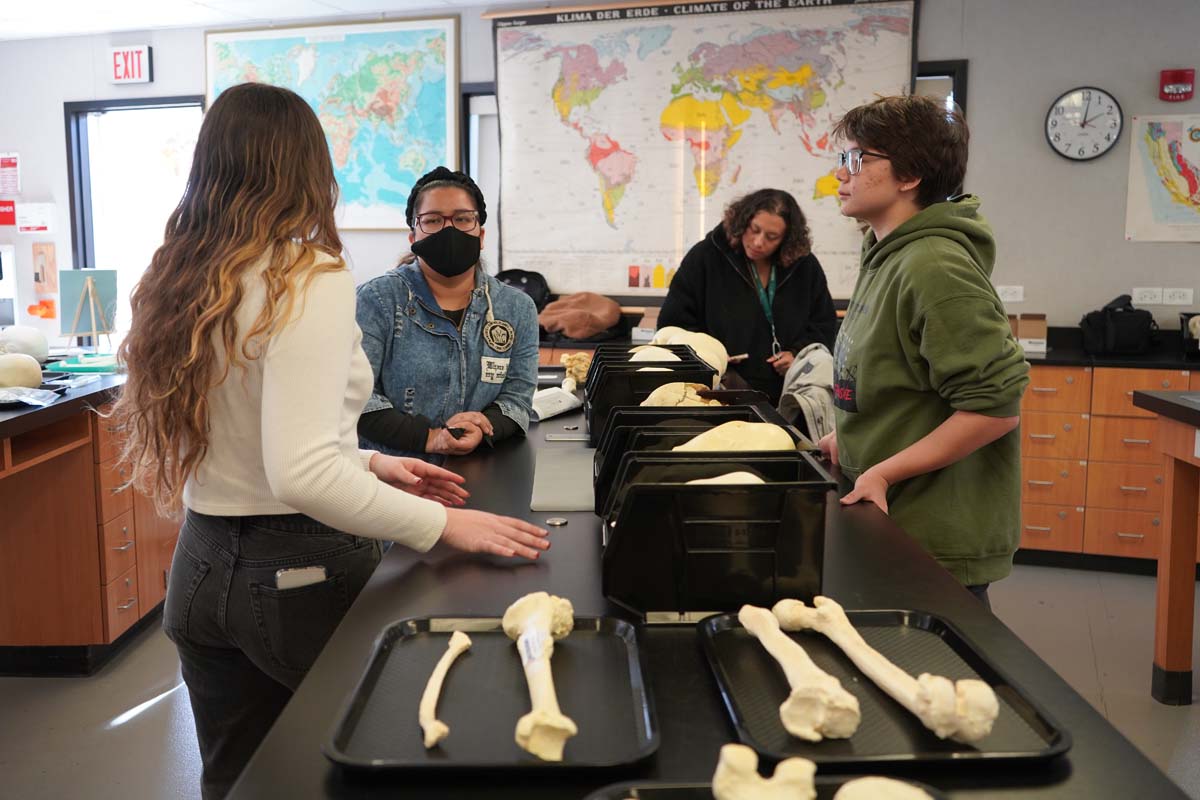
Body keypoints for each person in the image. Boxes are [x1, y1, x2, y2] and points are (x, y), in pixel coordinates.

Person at [110, 84, 549, 799]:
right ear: (308, 169)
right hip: (294, 573)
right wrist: (446, 525)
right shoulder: (304, 274)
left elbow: (256, 436)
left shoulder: (184, 272)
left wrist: (374, 463)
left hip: (199, 572)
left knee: (240, 780)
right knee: (380, 766)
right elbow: (302, 474)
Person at [819, 95, 1029, 608]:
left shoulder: (932, 264)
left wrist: (884, 470)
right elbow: (896, 379)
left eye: (856, 159)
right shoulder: (886, 255)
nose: (840, 175)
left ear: (909, 174)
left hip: (931, 534)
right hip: (890, 520)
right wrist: (848, 433)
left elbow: (994, 408)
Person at [356, 167, 538, 457]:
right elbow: (357, 399)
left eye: (463, 219)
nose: (449, 230)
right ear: (413, 236)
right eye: (433, 220)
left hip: (480, 471)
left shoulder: (516, 308)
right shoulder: (377, 300)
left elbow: (517, 399)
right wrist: (431, 438)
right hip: (392, 476)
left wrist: (484, 427)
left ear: (480, 235)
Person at [658, 188, 837, 403]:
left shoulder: (804, 266)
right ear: (742, 222)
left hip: (789, 390)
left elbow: (823, 323)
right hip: (719, 388)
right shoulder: (705, 256)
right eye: (754, 230)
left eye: (772, 237)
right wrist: (710, 357)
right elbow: (673, 325)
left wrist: (799, 354)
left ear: (786, 239)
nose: (759, 242)